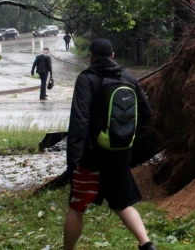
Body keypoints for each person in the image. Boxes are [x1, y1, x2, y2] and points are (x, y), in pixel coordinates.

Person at [63, 38, 156, 250]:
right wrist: (124, 136)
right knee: (123, 203)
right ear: (113, 56)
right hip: (119, 155)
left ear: (91, 57)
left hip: (90, 158)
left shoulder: (86, 79)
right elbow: (147, 113)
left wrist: (73, 161)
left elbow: (79, 120)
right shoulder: (129, 79)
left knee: (77, 206)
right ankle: (147, 244)